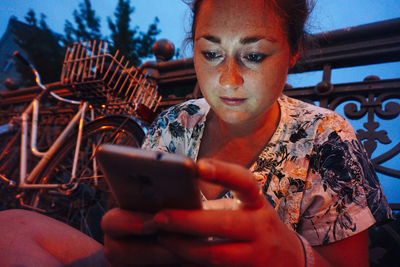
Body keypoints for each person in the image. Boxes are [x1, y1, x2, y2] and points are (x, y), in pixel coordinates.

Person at [0, 0, 393, 266]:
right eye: (210, 53)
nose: (228, 79)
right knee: (12, 227)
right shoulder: (175, 123)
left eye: (254, 55)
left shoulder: (325, 136)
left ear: (291, 53)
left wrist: (293, 256)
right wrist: (122, 249)